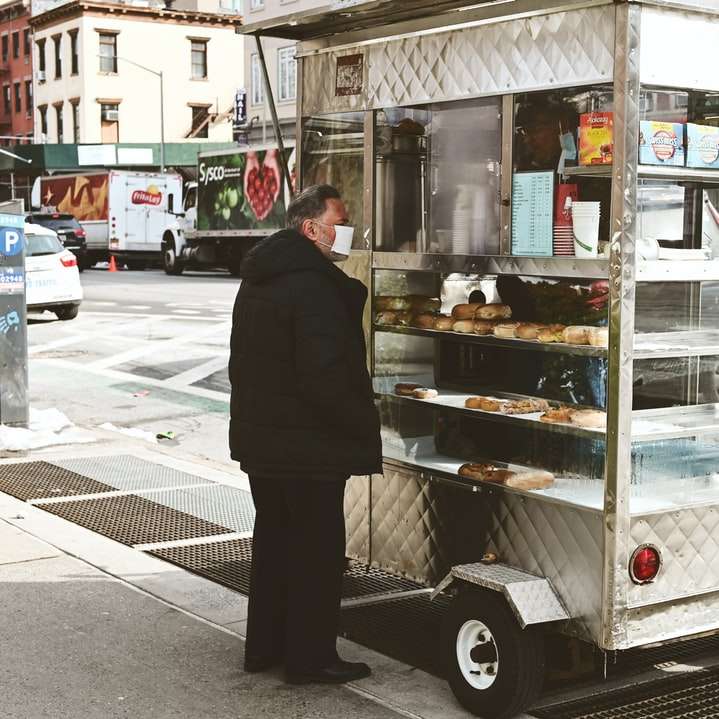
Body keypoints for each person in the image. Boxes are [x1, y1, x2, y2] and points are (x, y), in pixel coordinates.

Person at [228, 184, 382, 684]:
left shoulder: (260, 277)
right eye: (340, 219)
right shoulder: (313, 285)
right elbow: (325, 378)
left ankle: (265, 649)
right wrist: (363, 422)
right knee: (317, 555)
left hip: (264, 444)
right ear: (311, 228)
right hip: (307, 448)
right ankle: (311, 658)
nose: (347, 230)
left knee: (274, 545)